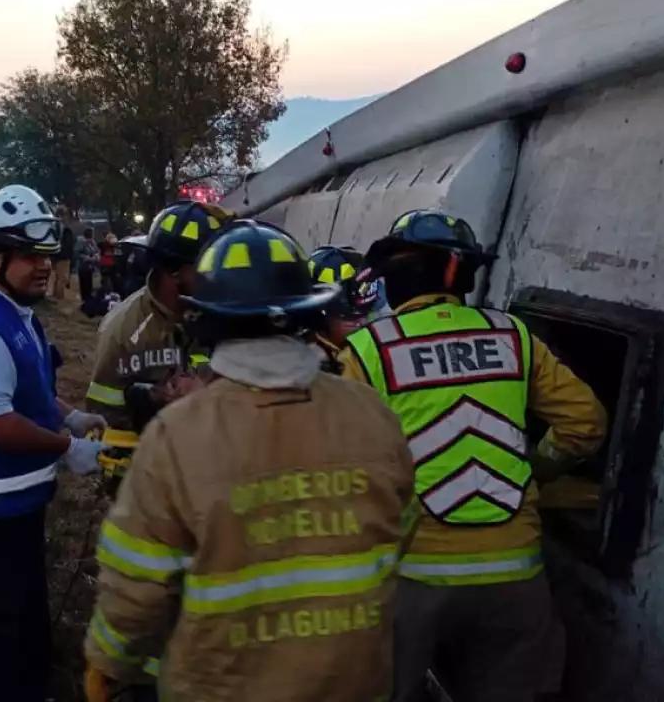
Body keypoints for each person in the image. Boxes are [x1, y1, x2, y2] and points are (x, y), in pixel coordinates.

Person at [83, 220, 416, 702]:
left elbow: (137, 584)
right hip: (349, 680)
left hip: (224, 685)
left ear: (206, 318)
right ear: (308, 312)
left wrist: (109, 662)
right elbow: (400, 530)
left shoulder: (178, 435)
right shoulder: (372, 415)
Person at [339, 210, 608, 702]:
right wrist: (536, 469)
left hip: (414, 578)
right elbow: (585, 424)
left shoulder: (366, 350)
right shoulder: (514, 337)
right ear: (458, 274)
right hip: (517, 576)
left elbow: (339, 468)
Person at [0, 184, 107, 702]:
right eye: (29, 256)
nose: (43, 267)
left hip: (12, 504)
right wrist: (64, 448)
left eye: (46, 256)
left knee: (25, 610)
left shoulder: (12, 310)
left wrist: (69, 416)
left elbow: (24, 387)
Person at [84, 201, 227, 483]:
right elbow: (104, 414)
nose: (218, 276)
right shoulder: (123, 329)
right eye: (207, 266)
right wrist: (150, 401)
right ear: (174, 271)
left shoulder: (222, 315)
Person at [306, 245, 380, 371]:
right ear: (319, 316)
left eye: (367, 313)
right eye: (350, 317)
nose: (362, 323)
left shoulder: (375, 350)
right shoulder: (306, 365)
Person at [52, 205, 75, 300]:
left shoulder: (53, 225)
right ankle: (59, 298)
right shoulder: (63, 227)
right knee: (62, 278)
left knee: (57, 278)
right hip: (63, 256)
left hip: (55, 255)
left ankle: (55, 296)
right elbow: (68, 244)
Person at [76, 226, 100, 302]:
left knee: (90, 285)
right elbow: (77, 253)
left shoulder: (93, 242)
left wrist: (96, 255)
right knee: (84, 285)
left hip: (91, 267)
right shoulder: (81, 242)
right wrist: (86, 257)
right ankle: (85, 300)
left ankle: (90, 299)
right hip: (83, 267)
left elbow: (96, 251)